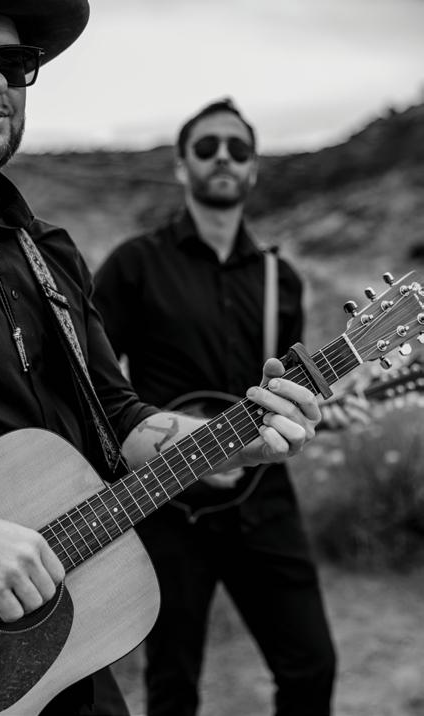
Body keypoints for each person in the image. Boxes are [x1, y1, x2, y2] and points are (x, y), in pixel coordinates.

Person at [0, 7, 323, 716]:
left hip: (55, 643)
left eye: (15, 63)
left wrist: (241, 436)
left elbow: (117, 419)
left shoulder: (48, 253)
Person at [94, 98, 344, 716]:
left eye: (238, 148)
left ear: (254, 167)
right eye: (207, 147)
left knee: (312, 666)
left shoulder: (280, 279)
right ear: (182, 166)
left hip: (264, 500)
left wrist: (313, 413)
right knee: (173, 685)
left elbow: (290, 388)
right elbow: (93, 384)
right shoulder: (135, 264)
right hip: (169, 503)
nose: (224, 158)